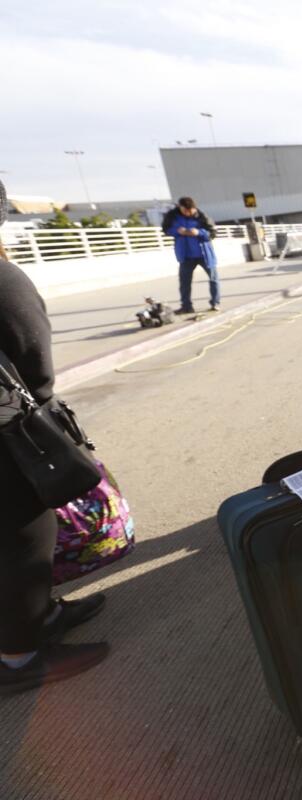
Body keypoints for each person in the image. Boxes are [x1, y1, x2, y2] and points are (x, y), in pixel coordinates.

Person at [0, 179, 109, 695]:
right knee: (25, 540)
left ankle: (40, 616)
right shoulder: (3, 280)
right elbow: (35, 364)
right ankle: (18, 659)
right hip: (7, 440)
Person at [164, 197, 220, 314]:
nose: (188, 213)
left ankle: (215, 303)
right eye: (185, 211)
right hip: (185, 255)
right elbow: (166, 230)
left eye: (190, 211)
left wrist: (199, 232)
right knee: (184, 283)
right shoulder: (172, 216)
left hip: (204, 254)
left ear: (194, 208)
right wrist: (178, 231)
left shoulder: (202, 216)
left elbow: (212, 233)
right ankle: (186, 306)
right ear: (180, 208)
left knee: (213, 278)